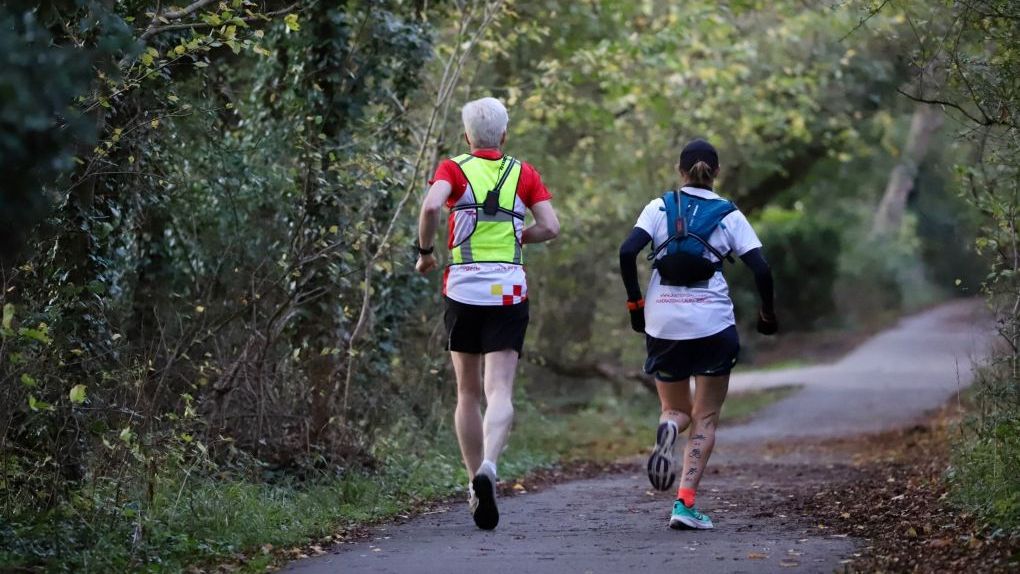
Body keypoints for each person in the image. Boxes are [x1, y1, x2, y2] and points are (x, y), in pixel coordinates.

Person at [415, 97, 560, 530]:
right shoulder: (524, 173)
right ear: (504, 135)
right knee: (500, 391)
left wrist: (426, 254)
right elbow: (551, 227)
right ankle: (490, 469)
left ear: (466, 136)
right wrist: (519, 238)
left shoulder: (453, 169)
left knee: (467, 393)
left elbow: (429, 207)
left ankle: (472, 481)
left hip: (462, 287)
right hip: (508, 291)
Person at [618, 138, 777, 530]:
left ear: (680, 170)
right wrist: (766, 314)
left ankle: (669, 427)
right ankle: (684, 504)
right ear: (715, 173)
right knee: (705, 417)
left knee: (676, 409)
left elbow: (626, 252)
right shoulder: (728, 213)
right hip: (711, 325)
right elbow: (761, 269)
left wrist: (636, 307)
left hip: (663, 323)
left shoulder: (659, 207)